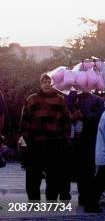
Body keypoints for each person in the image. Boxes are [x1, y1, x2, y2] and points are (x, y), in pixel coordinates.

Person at [20, 74, 71, 202]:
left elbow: (66, 121)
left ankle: (51, 200)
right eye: (44, 82)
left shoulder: (60, 100)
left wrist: (64, 139)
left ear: (52, 84)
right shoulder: (32, 99)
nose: (47, 84)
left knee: (53, 174)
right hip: (35, 144)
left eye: (49, 82)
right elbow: (24, 122)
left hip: (55, 143)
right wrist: (29, 141)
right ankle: (33, 200)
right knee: (33, 175)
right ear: (40, 84)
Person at [66, 89, 104, 206]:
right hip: (76, 140)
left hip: (90, 139)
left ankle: (88, 196)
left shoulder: (96, 100)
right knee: (81, 170)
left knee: (88, 169)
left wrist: (83, 116)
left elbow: (98, 117)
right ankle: (83, 196)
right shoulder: (70, 97)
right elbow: (64, 116)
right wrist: (72, 116)